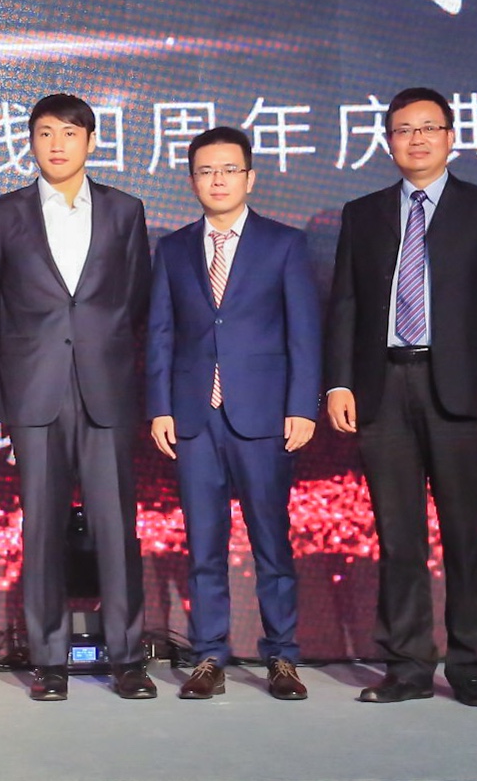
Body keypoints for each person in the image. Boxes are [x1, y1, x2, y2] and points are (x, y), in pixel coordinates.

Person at [324, 88, 477, 707]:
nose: (416, 139)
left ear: (450, 137)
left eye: (428, 128)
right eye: (403, 130)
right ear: (388, 141)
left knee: (468, 535)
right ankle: (408, 667)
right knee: (398, 537)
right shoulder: (363, 213)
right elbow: (345, 304)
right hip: (382, 386)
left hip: (459, 388)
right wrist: (339, 381)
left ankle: (472, 669)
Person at [0, 94, 158, 702]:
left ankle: (127, 656)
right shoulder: (2, 214)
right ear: (29, 141)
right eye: (46, 132)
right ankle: (48, 659)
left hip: (106, 389)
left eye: (70, 132)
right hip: (34, 393)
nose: (57, 144)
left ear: (91, 141)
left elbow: (134, 300)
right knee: (43, 529)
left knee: (116, 528)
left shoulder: (125, 210)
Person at [146, 126, 320, 702]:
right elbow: (161, 334)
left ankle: (282, 655)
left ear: (250, 177)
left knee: (272, 541)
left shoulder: (283, 244)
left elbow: (304, 332)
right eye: (205, 171)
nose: (217, 180)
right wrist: (160, 407)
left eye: (228, 170)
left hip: (264, 415)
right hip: (195, 417)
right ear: (192, 180)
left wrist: (302, 406)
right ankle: (209, 656)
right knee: (204, 544)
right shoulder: (173, 249)